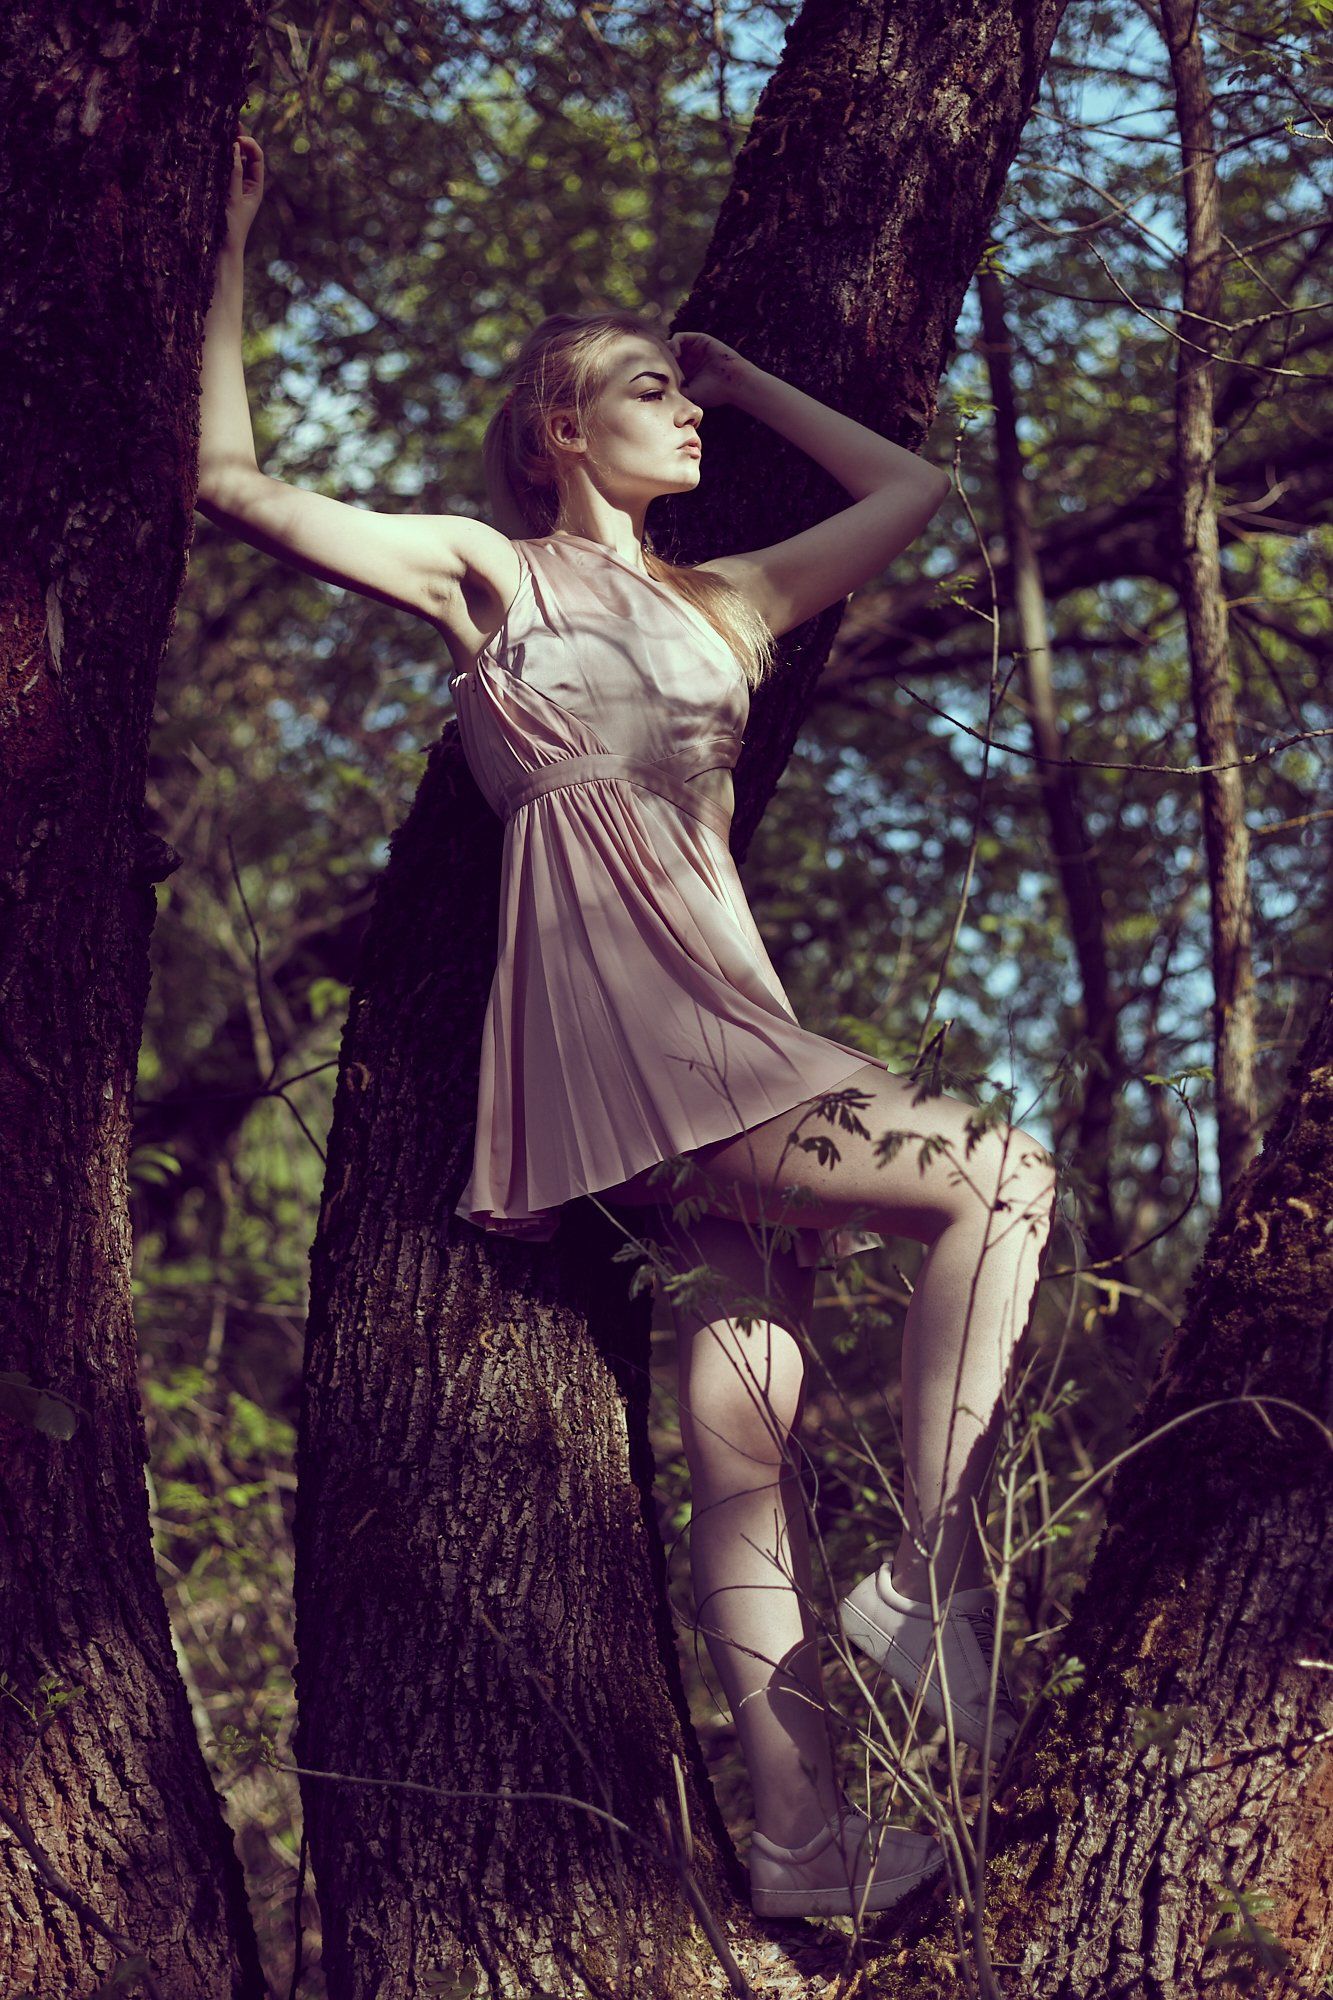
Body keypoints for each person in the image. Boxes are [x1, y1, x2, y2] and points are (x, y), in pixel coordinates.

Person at [198, 129, 1059, 1924]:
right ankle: (929, 1574)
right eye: (647, 392)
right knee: (996, 1176)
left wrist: (751, 382)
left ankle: (803, 1848)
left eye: (681, 390)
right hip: (633, 1016)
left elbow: (912, 489)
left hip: (727, 1000)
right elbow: (229, 483)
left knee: (743, 1449)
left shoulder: (727, 601)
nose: (683, 413)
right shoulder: (488, 570)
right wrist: (224, 245)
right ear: (556, 434)